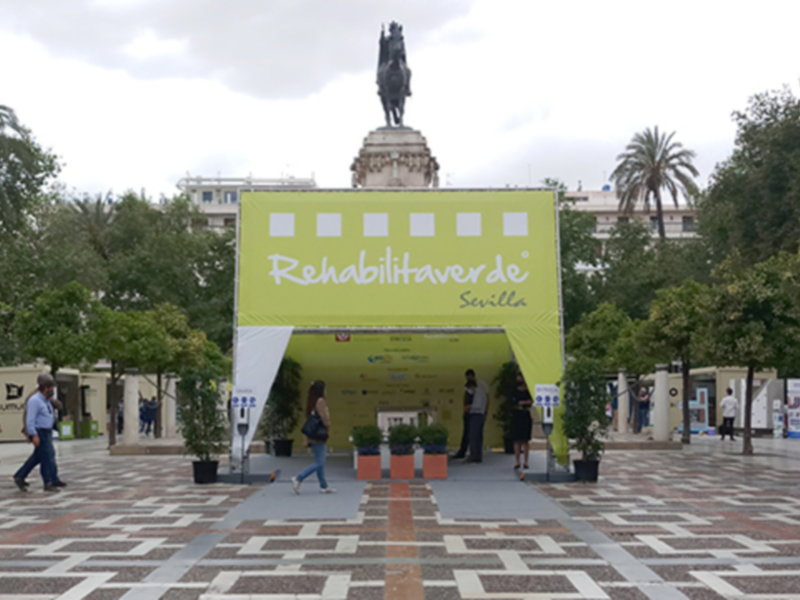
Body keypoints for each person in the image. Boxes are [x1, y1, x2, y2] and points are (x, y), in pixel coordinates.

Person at [14, 373, 63, 492]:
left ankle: (20, 476)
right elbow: (29, 419)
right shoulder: (34, 400)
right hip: (39, 431)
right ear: (44, 387)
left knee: (38, 457)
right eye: (50, 387)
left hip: (47, 431)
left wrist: (52, 399)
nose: (52, 390)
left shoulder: (46, 400)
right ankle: (48, 482)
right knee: (47, 457)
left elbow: (59, 407)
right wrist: (32, 434)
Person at [292, 381, 335, 494]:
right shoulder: (320, 401)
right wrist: (328, 429)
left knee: (319, 461)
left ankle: (324, 486)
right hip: (319, 435)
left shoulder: (311, 401)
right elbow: (325, 418)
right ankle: (298, 478)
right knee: (320, 463)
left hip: (313, 434)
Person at [465, 369, 489, 464]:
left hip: (476, 414)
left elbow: (478, 404)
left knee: (474, 435)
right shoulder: (478, 390)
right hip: (477, 414)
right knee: (478, 436)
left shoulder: (479, 391)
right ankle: (477, 456)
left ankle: (474, 456)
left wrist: (469, 407)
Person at [511, 371, 533, 470]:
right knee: (516, 440)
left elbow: (531, 401)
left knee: (525, 440)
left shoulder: (529, 390)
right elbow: (516, 402)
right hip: (517, 415)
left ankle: (526, 462)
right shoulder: (514, 390)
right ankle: (517, 461)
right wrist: (525, 402)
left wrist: (524, 402)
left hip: (526, 414)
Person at [451, 385, 472, 459]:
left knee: (469, 434)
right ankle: (464, 451)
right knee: (467, 433)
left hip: (471, 414)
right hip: (468, 414)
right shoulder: (468, 393)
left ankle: (465, 451)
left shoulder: (473, 393)